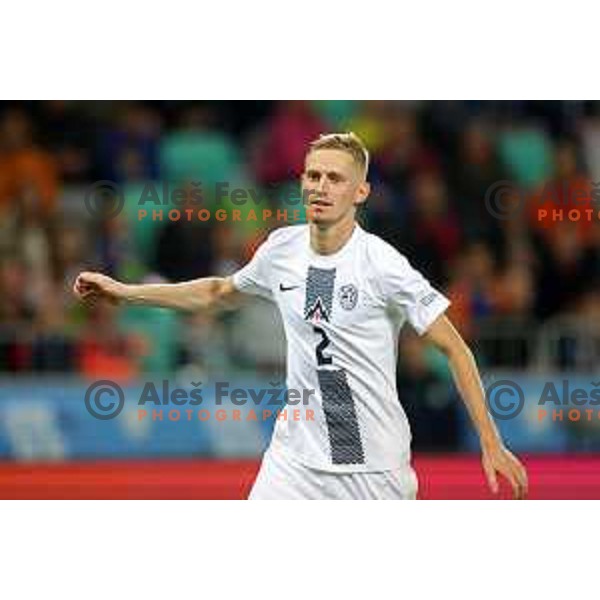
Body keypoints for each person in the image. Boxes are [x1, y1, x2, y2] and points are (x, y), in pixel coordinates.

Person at [73, 132, 528, 500]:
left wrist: (490, 439)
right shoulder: (281, 249)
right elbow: (217, 293)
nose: (321, 187)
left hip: (370, 467)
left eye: (335, 178)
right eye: (314, 175)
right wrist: (125, 293)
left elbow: (455, 347)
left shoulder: (381, 263)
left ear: (361, 191)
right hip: (293, 460)